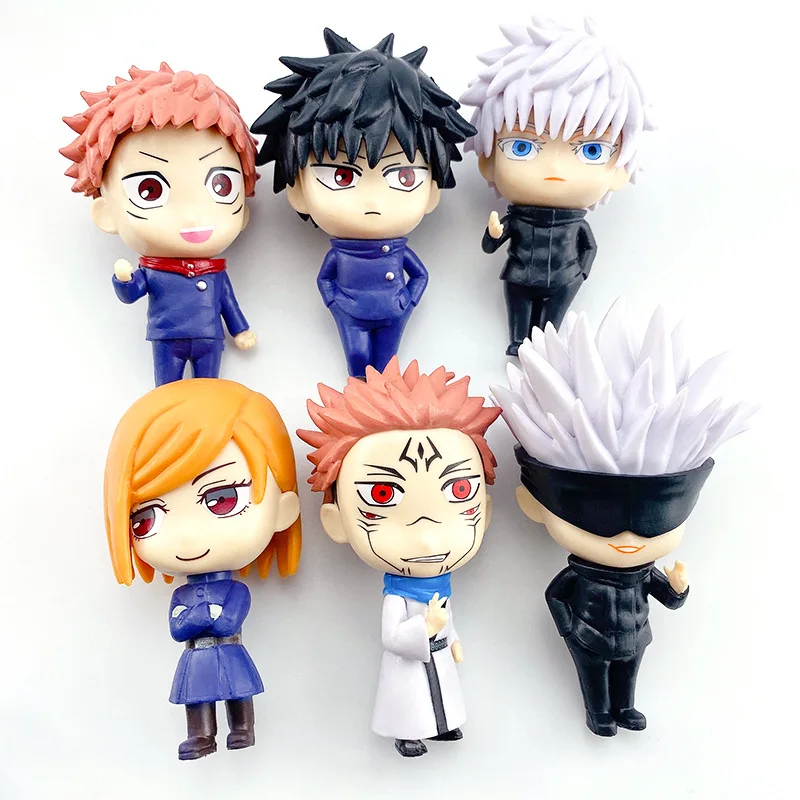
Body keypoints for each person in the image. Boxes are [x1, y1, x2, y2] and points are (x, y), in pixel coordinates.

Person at [492, 299, 755, 735]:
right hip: (589, 637)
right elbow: (555, 596)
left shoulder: (643, 573)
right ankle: (599, 712)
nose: (628, 541)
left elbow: (670, 600)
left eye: (656, 526)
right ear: (534, 505)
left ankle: (625, 707)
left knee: (629, 670)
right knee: (594, 674)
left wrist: (677, 587)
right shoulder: (581, 575)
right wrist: (570, 629)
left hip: (635, 636)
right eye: (597, 526)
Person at [298, 358, 501, 756]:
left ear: (485, 512)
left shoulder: (440, 586)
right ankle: (408, 733)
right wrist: (428, 628)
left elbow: (446, 617)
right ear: (337, 522)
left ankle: (441, 726)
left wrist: (451, 637)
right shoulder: (397, 596)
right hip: (410, 658)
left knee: (441, 692)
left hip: (436, 651)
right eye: (382, 495)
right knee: (411, 697)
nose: (425, 536)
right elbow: (392, 637)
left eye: (459, 491)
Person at [252, 29, 476, 377]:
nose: (373, 199)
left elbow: (419, 273)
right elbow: (325, 278)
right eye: (342, 176)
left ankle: (380, 400)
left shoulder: (396, 250)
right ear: (298, 190)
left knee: (387, 365)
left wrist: (408, 300)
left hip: (394, 310)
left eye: (404, 177)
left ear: (433, 191)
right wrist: (335, 301)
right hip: (350, 312)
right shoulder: (342, 253)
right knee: (356, 361)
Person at [104, 379, 301, 759]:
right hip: (195, 656)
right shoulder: (182, 593)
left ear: (284, 509)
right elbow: (178, 629)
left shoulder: (234, 590)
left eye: (222, 498)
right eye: (146, 518)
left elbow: (227, 621)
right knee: (196, 698)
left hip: (227, 651)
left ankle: (243, 728)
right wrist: (203, 616)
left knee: (238, 690)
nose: (188, 535)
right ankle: (201, 736)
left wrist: (198, 617)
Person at [460, 17, 655, 355]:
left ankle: (544, 347)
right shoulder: (516, 219)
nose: (554, 168)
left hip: (565, 279)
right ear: (487, 160)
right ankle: (519, 341)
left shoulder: (576, 225)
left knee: (550, 329)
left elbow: (589, 247)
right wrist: (493, 233)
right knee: (519, 320)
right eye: (523, 146)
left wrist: (580, 273)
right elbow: (490, 247)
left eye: (591, 150)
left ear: (619, 170)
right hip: (519, 276)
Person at [61, 64, 259, 385]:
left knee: (211, 391)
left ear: (244, 210)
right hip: (167, 338)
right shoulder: (154, 272)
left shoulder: (215, 272)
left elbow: (227, 302)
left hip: (210, 337)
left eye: (221, 186)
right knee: (167, 392)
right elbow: (132, 293)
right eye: (149, 190)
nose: (191, 215)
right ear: (106, 213)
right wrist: (124, 279)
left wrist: (240, 329)